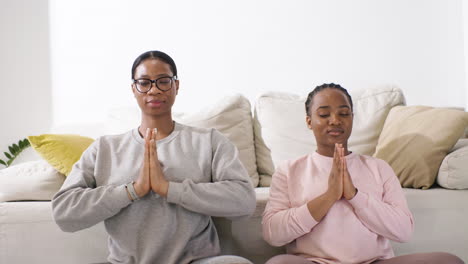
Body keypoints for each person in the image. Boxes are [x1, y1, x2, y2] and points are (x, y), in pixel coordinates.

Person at [52, 50, 256, 264]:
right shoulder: (104, 148)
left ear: (176, 85)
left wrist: (169, 188)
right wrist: (133, 190)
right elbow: (63, 213)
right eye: (144, 82)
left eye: (163, 81)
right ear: (134, 88)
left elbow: (244, 201)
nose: (154, 90)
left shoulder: (210, 141)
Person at [261, 83, 464, 264]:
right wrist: (329, 196)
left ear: (352, 118)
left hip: (373, 262)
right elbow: (273, 233)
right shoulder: (289, 170)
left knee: (449, 261)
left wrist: (354, 195)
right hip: (315, 262)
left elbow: (403, 231)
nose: (335, 120)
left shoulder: (379, 167)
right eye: (324, 114)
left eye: (343, 113)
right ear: (309, 121)